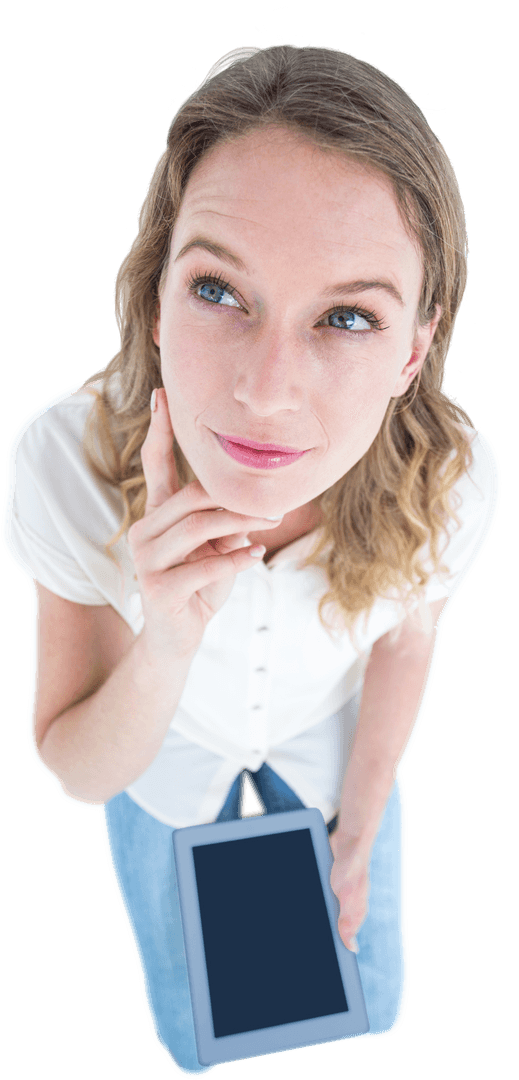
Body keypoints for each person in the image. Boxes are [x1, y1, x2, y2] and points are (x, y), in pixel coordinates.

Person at [3, 43, 500, 1077]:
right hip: (164, 771)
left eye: (348, 317)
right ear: (156, 296)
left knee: (371, 998)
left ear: (413, 349)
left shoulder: (454, 482)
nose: (266, 393)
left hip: (335, 765)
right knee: (195, 1032)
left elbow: (407, 643)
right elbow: (78, 767)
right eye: (219, 291)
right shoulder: (62, 460)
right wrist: (167, 634)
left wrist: (359, 826)